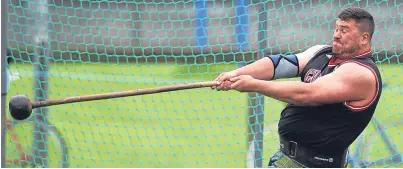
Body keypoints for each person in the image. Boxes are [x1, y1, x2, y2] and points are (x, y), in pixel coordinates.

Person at [213, 7, 382, 168]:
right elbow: (279, 64)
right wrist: (236, 73)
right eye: (336, 29)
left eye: (344, 31)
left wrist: (254, 85)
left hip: (315, 164)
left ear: (364, 39)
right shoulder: (322, 52)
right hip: (286, 157)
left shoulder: (361, 73)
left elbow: (306, 93)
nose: (337, 35)